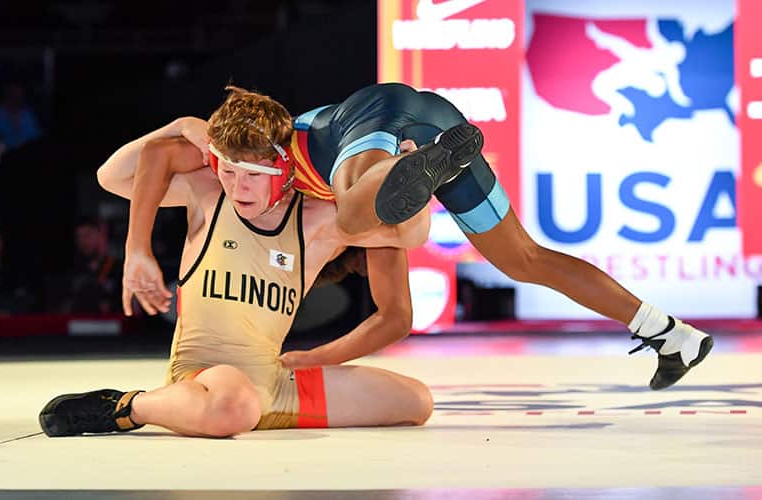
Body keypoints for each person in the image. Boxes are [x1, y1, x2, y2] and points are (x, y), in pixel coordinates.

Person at [174, 84, 712, 391]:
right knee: (524, 259)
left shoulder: (276, 173)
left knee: (351, 213)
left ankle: (416, 161)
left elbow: (168, 150)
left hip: (377, 116)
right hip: (432, 121)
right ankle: (671, 334)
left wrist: (309, 359)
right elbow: (396, 318)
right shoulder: (358, 220)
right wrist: (308, 360)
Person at [38, 103, 433, 437]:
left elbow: (410, 235)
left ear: (285, 169)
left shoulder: (318, 219)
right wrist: (137, 247)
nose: (238, 187)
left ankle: (242, 412)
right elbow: (114, 175)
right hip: (207, 378)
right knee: (235, 406)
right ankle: (127, 406)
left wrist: (410, 182)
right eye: (228, 171)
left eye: (254, 176)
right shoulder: (208, 194)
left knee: (416, 402)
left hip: (277, 387)